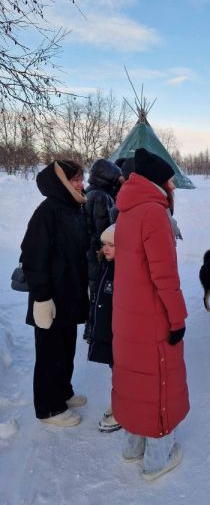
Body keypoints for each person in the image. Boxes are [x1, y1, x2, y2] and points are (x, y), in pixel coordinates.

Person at [112, 148, 189, 481]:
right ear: (160, 181)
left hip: (129, 314)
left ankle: (133, 447)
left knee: (133, 379)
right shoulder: (155, 213)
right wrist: (177, 319)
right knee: (159, 382)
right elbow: (165, 277)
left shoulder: (127, 210)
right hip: (153, 315)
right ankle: (157, 459)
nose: (173, 185)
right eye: (170, 179)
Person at [21, 160, 89, 427]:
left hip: (70, 293)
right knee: (50, 352)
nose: (81, 185)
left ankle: (63, 392)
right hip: (51, 296)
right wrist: (41, 297)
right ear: (61, 182)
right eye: (75, 180)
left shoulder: (73, 208)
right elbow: (33, 255)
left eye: (82, 179)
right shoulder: (48, 211)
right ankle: (49, 408)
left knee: (66, 348)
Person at [84, 159, 123, 341]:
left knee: (94, 291)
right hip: (97, 253)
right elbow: (104, 229)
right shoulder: (100, 196)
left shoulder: (90, 192)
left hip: (89, 251)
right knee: (98, 292)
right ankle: (94, 331)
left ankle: (91, 328)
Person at [87, 224, 121, 433]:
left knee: (121, 372)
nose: (106, 249)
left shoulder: (123, 269)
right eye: (104, 244)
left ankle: (123, 408)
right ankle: (118, 401)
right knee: (114, 370)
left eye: (112, 245)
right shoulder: (107, 265)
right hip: (106, 331)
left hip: (118, 333)